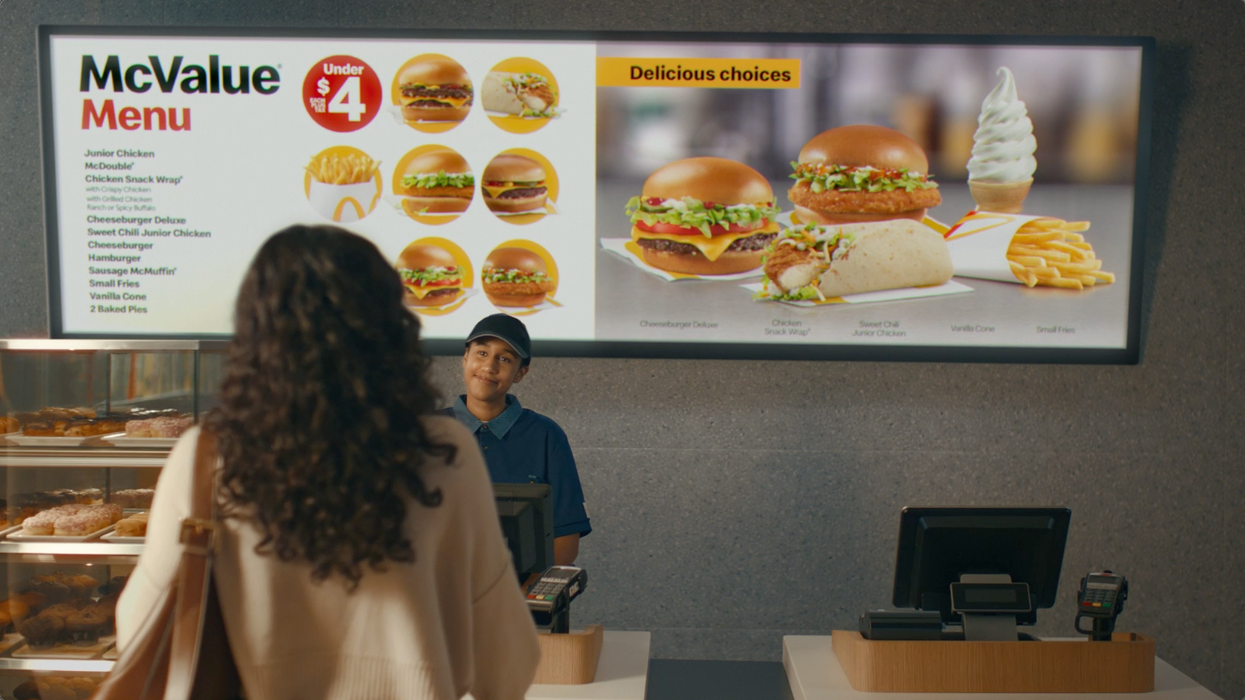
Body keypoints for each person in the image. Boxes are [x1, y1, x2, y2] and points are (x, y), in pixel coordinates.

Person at [115, 225, 539, 700]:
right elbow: (508, 665)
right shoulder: (445, 452)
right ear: (389, 328)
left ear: (255, 333)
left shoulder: (207, 455)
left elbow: (139, 628)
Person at [443, 314, 590, 566]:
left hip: (519, 597)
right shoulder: (426, 432)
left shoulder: (546, 436)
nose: (489, 366)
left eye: (504, 358)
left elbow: (565, 541)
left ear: (521, 373)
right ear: (465, 358)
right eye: (481, 353)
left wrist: (520, 598)